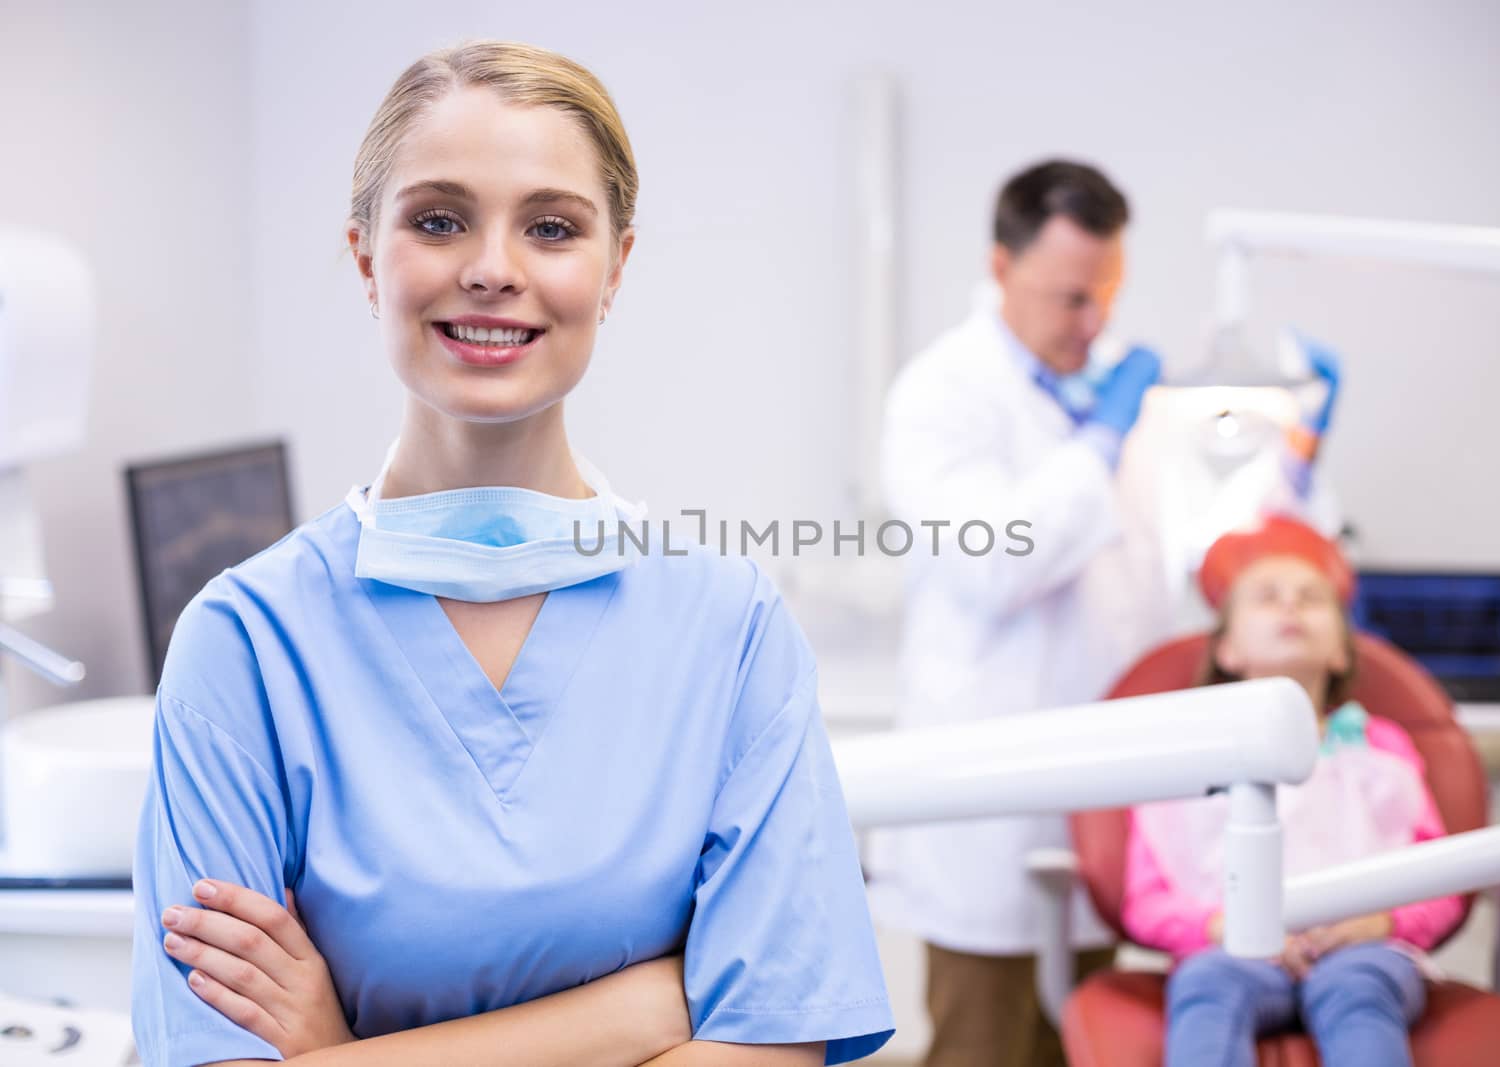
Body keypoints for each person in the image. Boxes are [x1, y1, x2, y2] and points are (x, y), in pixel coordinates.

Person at [131, 41, 893, 1067]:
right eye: (439, 219)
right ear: (366, 254)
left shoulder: (727, 626)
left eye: (550, 226)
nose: (492, 268)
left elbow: (772, 1053)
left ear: (614, 264)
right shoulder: (246, 642)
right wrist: (640, 1012)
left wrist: (342, 1050)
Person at [873, 159, 1167, 1067]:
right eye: (1072, 297)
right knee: (984, 1046)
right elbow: (993, 561)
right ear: (1001, 268)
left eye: (1107, 294)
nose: (1096, 322)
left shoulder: (1099, 389)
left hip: (1095, 787)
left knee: (1086, 1043)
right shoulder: (941, 391)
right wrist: (1094, 447)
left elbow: (1154, 567)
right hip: (987, 804)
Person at [1124, 515, 1466, 1067]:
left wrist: (1381, 924)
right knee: (1206, 989)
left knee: (1359, 992)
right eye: (1266, 597)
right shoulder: (1186, 757)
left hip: (1365, 952)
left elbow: (1443, 877)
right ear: (1227, 650)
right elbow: (1146, 900)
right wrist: (1226, 927)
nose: (1290, 607)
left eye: (1311, 598)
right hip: (1228, 951)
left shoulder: (1384, 750)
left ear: (1340, 651)